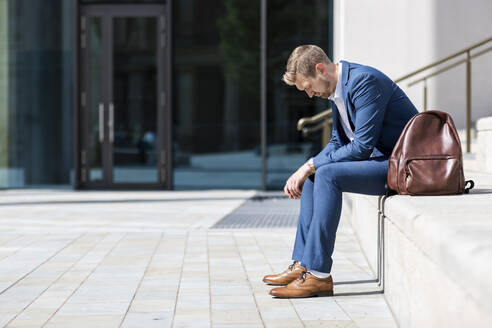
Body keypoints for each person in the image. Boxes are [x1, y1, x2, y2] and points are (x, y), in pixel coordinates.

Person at [263, 45, 418, 298]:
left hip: (402, 166)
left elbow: (362, 146)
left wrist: (310, 164)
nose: (310, 95)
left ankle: (319, 276)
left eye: (308, 86)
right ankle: (303, 263)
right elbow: (338, 143)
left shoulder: (364, 81)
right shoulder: (337, 92)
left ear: (320, 69)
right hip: (382, 161)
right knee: (316, 174)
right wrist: (309, 167)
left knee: (326, 173)